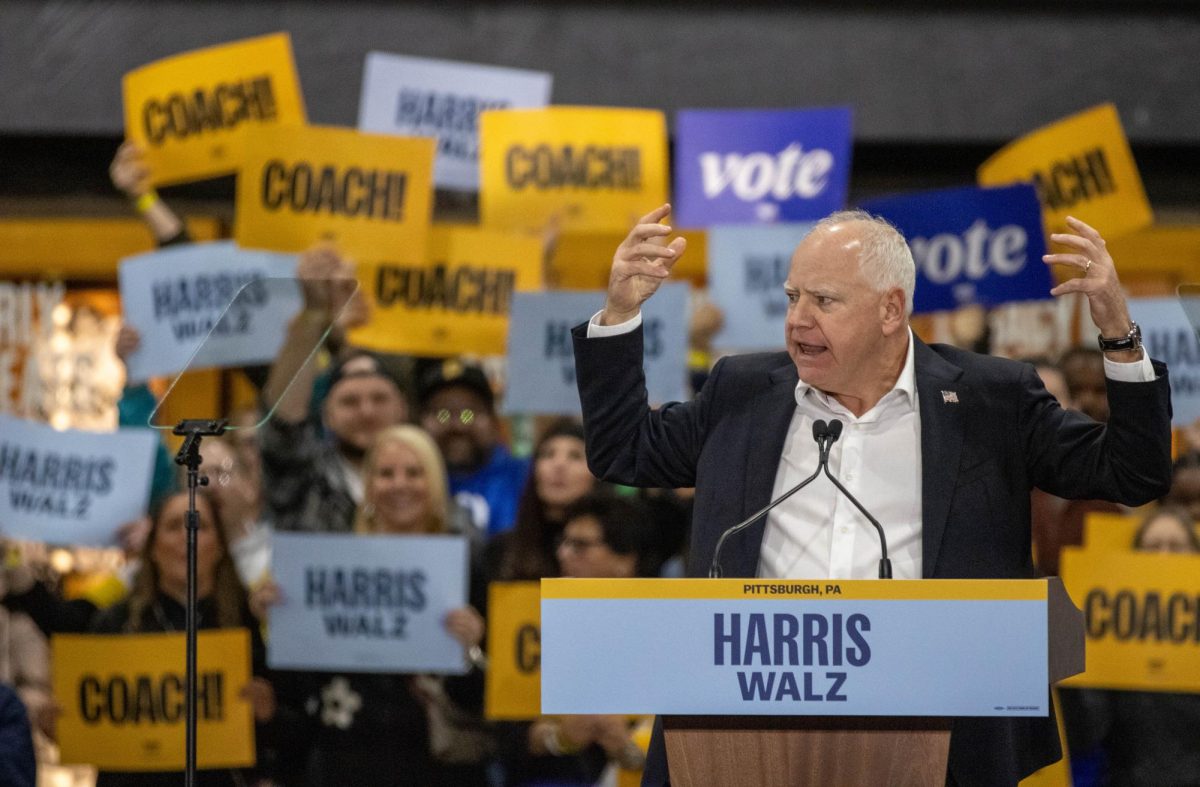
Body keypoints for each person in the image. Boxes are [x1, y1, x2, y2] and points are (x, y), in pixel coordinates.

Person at [571, 204, 1173, 786]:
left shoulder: (994, 400)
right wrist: (621, 312)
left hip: (939, 740)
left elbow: (1131, 474)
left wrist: (1120, 336)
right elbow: (624, 450)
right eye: (792, 297)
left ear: (891, 310)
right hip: (741, 734)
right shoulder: (744, 391)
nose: (797, 320)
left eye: (823, 301)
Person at [269, 425, 491, 787]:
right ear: (368, 486)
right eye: (386, 473)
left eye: (414, 472)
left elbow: (486, 699)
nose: (400, 484)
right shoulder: (330, 562)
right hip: (345, 759)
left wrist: (470, 650)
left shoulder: (467, 564)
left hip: (439, 764)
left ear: (434, 483)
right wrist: (281, 618)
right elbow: (298, 688)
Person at [89, 490, 277, 787]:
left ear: (219, 547)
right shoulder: (115, 625)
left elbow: (290, 733)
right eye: (174, 526)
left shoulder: (248, 622)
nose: (186, 538)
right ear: (152, 547)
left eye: (198, 527)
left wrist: (267, 712)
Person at [503, 493, 654, 787]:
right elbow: (507, 732)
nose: (563, 554)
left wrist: (630, 749)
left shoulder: (667, 629)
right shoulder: (529, 616)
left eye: (580, 546)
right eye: (563, 542)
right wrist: (557, 738)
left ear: (626, 559)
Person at [260, 246, 410, 534]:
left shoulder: (431, 486)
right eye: (349, 402)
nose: (366, 411)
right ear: (326, 413)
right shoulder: (308, 486)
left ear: (403, 407)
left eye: (379, 399)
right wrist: (313, 313)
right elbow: (282, 424)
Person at [1064, 506, 1200, 786]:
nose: (1164, 556)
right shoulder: (1109, 640)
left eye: (1176, 547)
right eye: (1153, 547)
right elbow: (1086, 734)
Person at [418, 360, 530, 537]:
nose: (457, 426)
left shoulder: (526, 477)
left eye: (467, 415)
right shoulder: (404, 483)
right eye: (442, 415)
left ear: (494, 420)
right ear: (421, 422)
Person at [489, 418, 599, 582]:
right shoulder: (501, 550)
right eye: (548, 454)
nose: (559, 465)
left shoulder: (611, 547)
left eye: (575, 456)